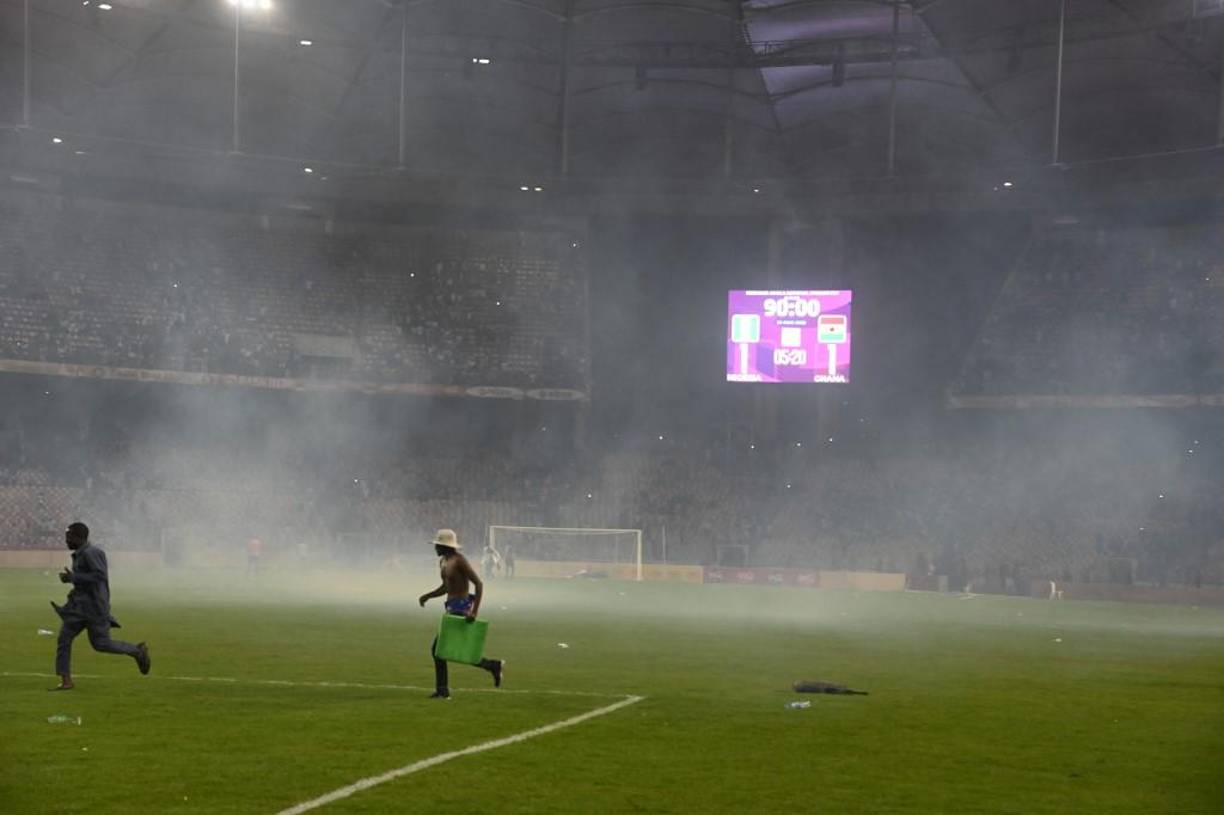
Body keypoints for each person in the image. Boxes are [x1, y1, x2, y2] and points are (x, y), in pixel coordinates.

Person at [50, 522, 150, 691]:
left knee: (101, 644)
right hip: (79, 608)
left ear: (79, 538)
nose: (66, 541)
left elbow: (99, 575)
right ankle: (66, 681)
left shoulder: (92, 553)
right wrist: (72, 580)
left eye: (69, 538)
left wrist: (74, 577)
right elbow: (86, 579)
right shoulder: (80, 554)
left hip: (95, 608)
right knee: (64, 639)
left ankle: (136, 651)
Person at [418, 529, 502, 699]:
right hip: (451, 608)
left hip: (461, 608)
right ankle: (493, 666)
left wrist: (474, 611)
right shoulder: (444, 561)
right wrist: (428, 596)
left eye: (437, 545)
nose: (435, 548)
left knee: (439, 649)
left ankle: (443, 690)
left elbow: (478, 584)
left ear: (444, 546)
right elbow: (446, 587)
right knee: (454, 650)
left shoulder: (459, 560)